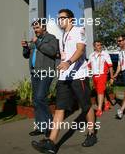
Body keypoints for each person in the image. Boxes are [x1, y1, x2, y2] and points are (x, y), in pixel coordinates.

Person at [32, 9, 97, 154]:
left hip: (78, 75)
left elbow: (80, 50)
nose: (60, 20)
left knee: (85, 106)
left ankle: (92, 133)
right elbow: (61, 54)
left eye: (63, 18)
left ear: (71, 19)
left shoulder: (78, 30)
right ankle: (52, 142)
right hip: (64, 77)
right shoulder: (62, 36)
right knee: (59, 108)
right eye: (58, 18)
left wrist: (68, 62)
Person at [21, 18, 58, 136]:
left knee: (40, 97)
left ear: (44, 27)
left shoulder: (51, 38)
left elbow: (52, 52)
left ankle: (49, 126)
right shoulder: (34, 41)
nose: (35, 30)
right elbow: (26, 56)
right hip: (34, 72)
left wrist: (37, 42)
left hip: (46, 72)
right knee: (36, 101)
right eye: (34, 28)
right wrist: (26, 47)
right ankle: (40, 126)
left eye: (37, 28)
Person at [88, 40, 114, 117]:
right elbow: (89, 66)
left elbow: (110, 66)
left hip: (102, 75)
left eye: (100, 45)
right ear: (94, 47)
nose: (100, 46)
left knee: (100, 92)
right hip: (94, 76)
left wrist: (112, 77)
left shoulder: (105, 54)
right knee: (100, 90)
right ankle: (106, 103)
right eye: (98, 45)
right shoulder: (91, 55)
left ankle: (99, 109)